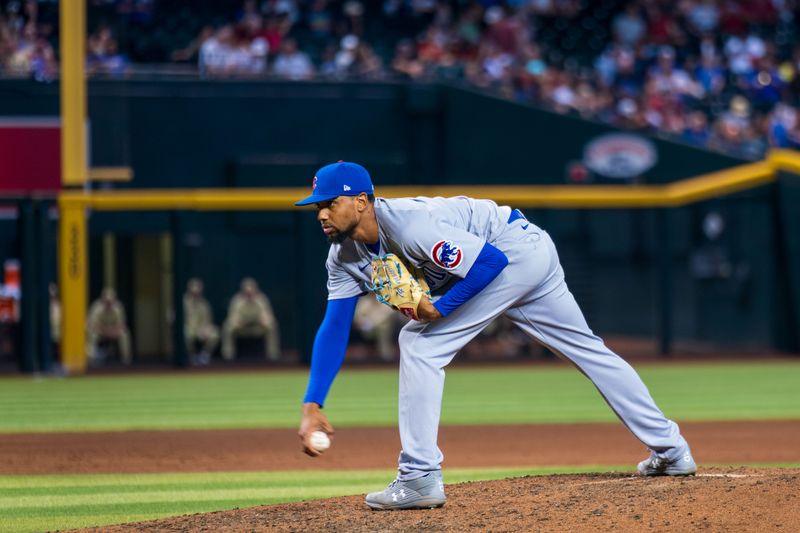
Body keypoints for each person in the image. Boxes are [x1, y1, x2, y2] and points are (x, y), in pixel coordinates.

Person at [295, 161, 696, 511]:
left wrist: (442, 308)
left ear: (362, 201)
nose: (322, 214)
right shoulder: (342, 257)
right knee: (588, 351)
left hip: (514, 252)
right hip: (528, 252)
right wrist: (313, 401)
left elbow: (491, 261)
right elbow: (334, 325)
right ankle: (671, 450)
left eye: (331, 203)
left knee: (419, 342)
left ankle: (418, 475)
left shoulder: (411, 225)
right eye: (318, 206)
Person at [222, 277, 280, 360]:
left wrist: (264, 320)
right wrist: (238, 322)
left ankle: (272, 356)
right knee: (228, 327)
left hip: (257, 328)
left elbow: (268, 316)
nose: (249, 294)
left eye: (251, 292)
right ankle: (228, 356)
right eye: (247, 292)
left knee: (272, 326)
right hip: (242, 329)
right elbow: (232, 318)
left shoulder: (261, 300)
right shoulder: (237, 301)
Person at [86, 288, 131, 365]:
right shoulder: (97, 308)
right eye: (107, 301)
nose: (109, 303)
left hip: (113, 331)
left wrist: (112, 331)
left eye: (111, 301)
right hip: (100, 331)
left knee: (124, 334)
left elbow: (121, 325)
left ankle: (126, 360)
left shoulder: (118, 308)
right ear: (103, 300)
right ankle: (91, 359)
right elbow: (93, 325)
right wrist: (107, 331)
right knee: (93, 334)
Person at [183, 278, 219, 365]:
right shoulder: (182, 303)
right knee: (186, 334)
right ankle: (192, 356)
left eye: (197, 292)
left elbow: (207, 321)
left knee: (214, 333)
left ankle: (204, 356)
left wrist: (205, 329)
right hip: (187, 328)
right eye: (193, 292)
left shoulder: (204, 304)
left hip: (200, 330)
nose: (195, 294)